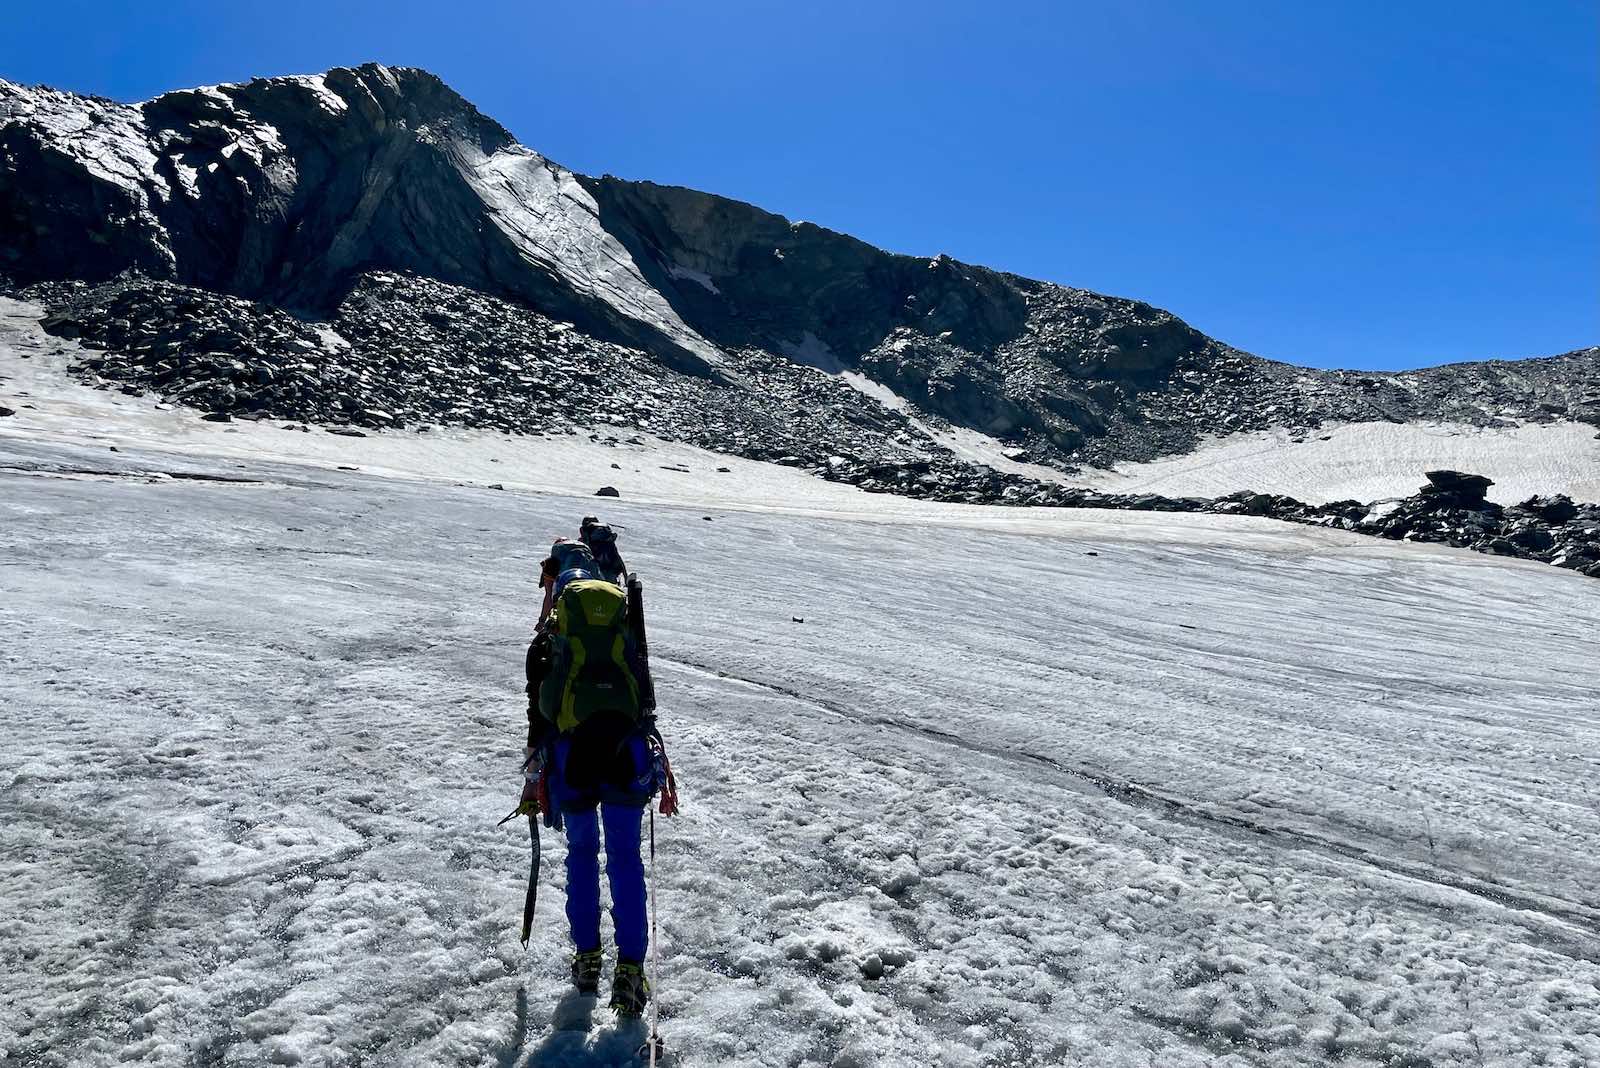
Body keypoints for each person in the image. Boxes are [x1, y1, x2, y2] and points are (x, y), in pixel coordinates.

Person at [523, 518, 671, 1017]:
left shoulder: (555, 632)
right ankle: (631, 971)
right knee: (626, 858)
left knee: (582, 855)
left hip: (571, 756)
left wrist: (535, 769)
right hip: (625, 749)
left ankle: (587, 959)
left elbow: (540, 707)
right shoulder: (623, 615)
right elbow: (643, 686)